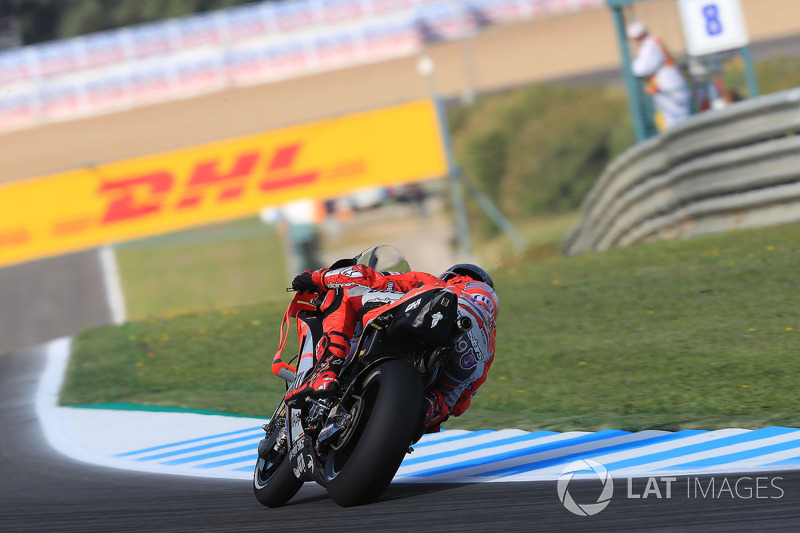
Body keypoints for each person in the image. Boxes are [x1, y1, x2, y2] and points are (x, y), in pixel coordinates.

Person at [283, 248, 498, 433]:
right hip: (471, 354)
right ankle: (414, 415)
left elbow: (366, 278)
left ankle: (326, 372)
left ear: (453, 276)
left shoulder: (443, 284)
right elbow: (460, 405)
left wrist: (316, 278)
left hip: (439, 311)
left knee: (345, 294)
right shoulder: (489, 346)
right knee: (440, 400)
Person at [627, 20, 690, 131]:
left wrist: (632, 66)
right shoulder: (652, 42)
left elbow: (642, 68)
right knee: (675, 118)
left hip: (668, 87)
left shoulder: (650, 44)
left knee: (676, 120)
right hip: (667, 86)